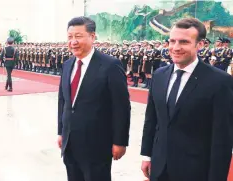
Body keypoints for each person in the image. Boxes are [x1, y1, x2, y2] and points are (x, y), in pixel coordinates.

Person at [140, 18, 233, 181]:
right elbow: (152, 120)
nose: (175, 47)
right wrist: (147, 155)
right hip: (160, 166)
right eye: (172, 41)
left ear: (200, 45)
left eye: (183, 42)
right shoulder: (159, 75)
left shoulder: (220, 82)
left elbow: (222, 138)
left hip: (196, 171)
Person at [57, 16, 131, 181]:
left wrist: (120, 141)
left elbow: (121, 107)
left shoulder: (110, 65)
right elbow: (63, 101)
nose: (73, 41)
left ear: (92, 36)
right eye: (70, 37)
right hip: (70, 142)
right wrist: (61, 131)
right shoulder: (68, 64)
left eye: (78, 36)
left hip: (97, 144)